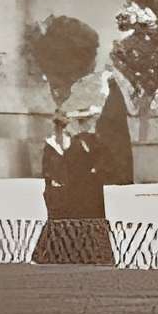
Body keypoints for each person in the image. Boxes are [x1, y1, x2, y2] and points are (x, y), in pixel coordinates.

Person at [35, 111, 110, 265]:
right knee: (60, 221)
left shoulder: (81, 143)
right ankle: (56, 254)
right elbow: (48, 168)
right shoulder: (54, 145)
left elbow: (88, 164)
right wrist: (55, 180)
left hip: (80, 190)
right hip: (61, 190)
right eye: (60, 127)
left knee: (80, 220)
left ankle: (83, 254)